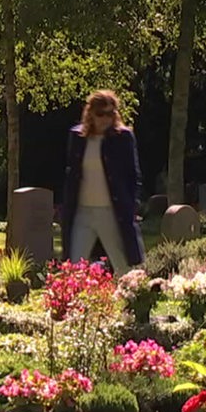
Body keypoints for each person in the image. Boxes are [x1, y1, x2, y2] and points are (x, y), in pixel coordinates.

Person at [61, 90, 145, 274]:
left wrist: (131, 206)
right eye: (101, 114)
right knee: (74, 267)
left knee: (124, 267)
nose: (105, 119)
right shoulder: (77, 137)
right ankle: (73, 302)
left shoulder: (123, 138)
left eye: (110, 113)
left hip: (111, 212)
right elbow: (72, 175)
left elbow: (133, 176)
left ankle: (133, 299)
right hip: (82, 212)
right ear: (90, 112)